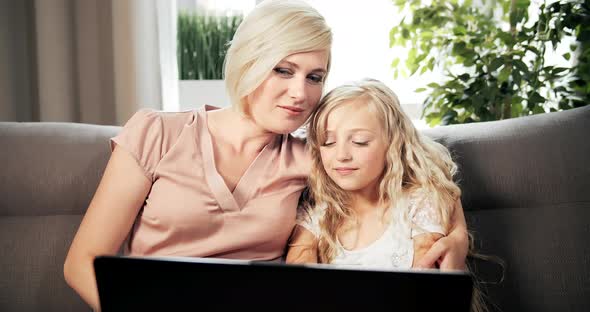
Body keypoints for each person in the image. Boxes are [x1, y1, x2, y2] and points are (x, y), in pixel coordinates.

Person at [64, 1, 468, 310]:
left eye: (315, 77)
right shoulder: (157, 133)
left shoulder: (310, 157)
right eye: (283, 70)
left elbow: (417, 159)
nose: (301, 93)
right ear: (249, 62)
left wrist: (459, 235)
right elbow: (82, 261)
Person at [285, 78, 487, 311]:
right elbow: (298, 279)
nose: (341, 155)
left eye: (360, 142)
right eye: (328, 142)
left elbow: (423, 287)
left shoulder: (419, 203)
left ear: (392, 145)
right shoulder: (317, 213)